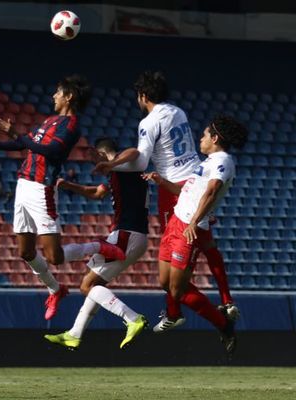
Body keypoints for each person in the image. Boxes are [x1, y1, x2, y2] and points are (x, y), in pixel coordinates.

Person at [0, 75, 125, 320]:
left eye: (58, 92)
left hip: (41, 189)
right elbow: (24, 145)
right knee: (25, 252)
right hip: (23, 185)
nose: (53, 96)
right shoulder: (49, 120)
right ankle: (55, 289)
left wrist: (16, 133)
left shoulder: (71, 126)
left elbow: (51, 150)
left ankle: (99, 246)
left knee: (54, 257)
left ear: (68, 96)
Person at [93, 71, 238, 329]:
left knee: (174, 271)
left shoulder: (148, 123)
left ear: (143, 96)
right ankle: (226, 301)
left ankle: (175, 313)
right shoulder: (178, 111)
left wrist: (112, 165)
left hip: (173, 189)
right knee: (207, 244)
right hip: (195, 176)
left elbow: (140, 161)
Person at [143, 114, 247, 354]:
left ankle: (223, 324)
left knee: (177, 289)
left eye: (204, 134)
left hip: (189, 230)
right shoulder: (208, 161)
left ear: (215, 138)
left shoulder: (223, 161)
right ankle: (199, 315)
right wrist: (161, 181)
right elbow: (186, 190)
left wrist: (194, 221)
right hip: (175, 224)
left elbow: (211, 192)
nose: (200, 138)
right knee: (165, 283)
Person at [44, 138, 148, 350]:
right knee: (93, 285)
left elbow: (135, 152)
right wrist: (68, 185)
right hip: (133, 234)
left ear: (102, 153)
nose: (92, 161)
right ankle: (74, 333)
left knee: (87, 286)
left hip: (127, 233)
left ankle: (132, 318)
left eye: (94, 156)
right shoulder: (119, 171)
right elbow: (98, 193)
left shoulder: (124, 163)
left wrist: (110, 163)